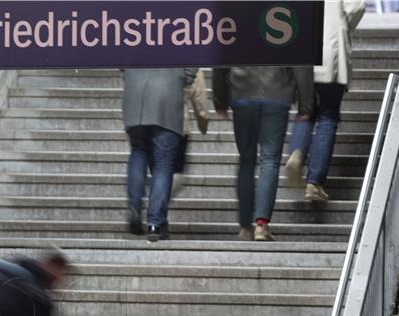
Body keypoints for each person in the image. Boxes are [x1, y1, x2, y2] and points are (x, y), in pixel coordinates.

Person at [213, 66, 313, 241]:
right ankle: (261, 225)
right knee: (270, 161)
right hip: (277, 92)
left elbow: (221, 58)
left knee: (246, 161)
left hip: (242, 93)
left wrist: (220, 99)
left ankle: (245, 227)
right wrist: (306, 104)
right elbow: (301, 61)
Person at [285, 0, 366, 201]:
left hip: (302, 50)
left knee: (306, 111)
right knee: (328, 115)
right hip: (331, 49)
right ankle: (314, 182)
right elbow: (356, 7)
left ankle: (297, 153)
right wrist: (344, 23)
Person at [123, 68, 196, 242]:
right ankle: (155, 222)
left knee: (138, 150)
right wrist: (185, 76)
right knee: (164, 162)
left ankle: (134, 205)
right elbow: (194, 53)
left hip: (135, 91)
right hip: (167, 93)